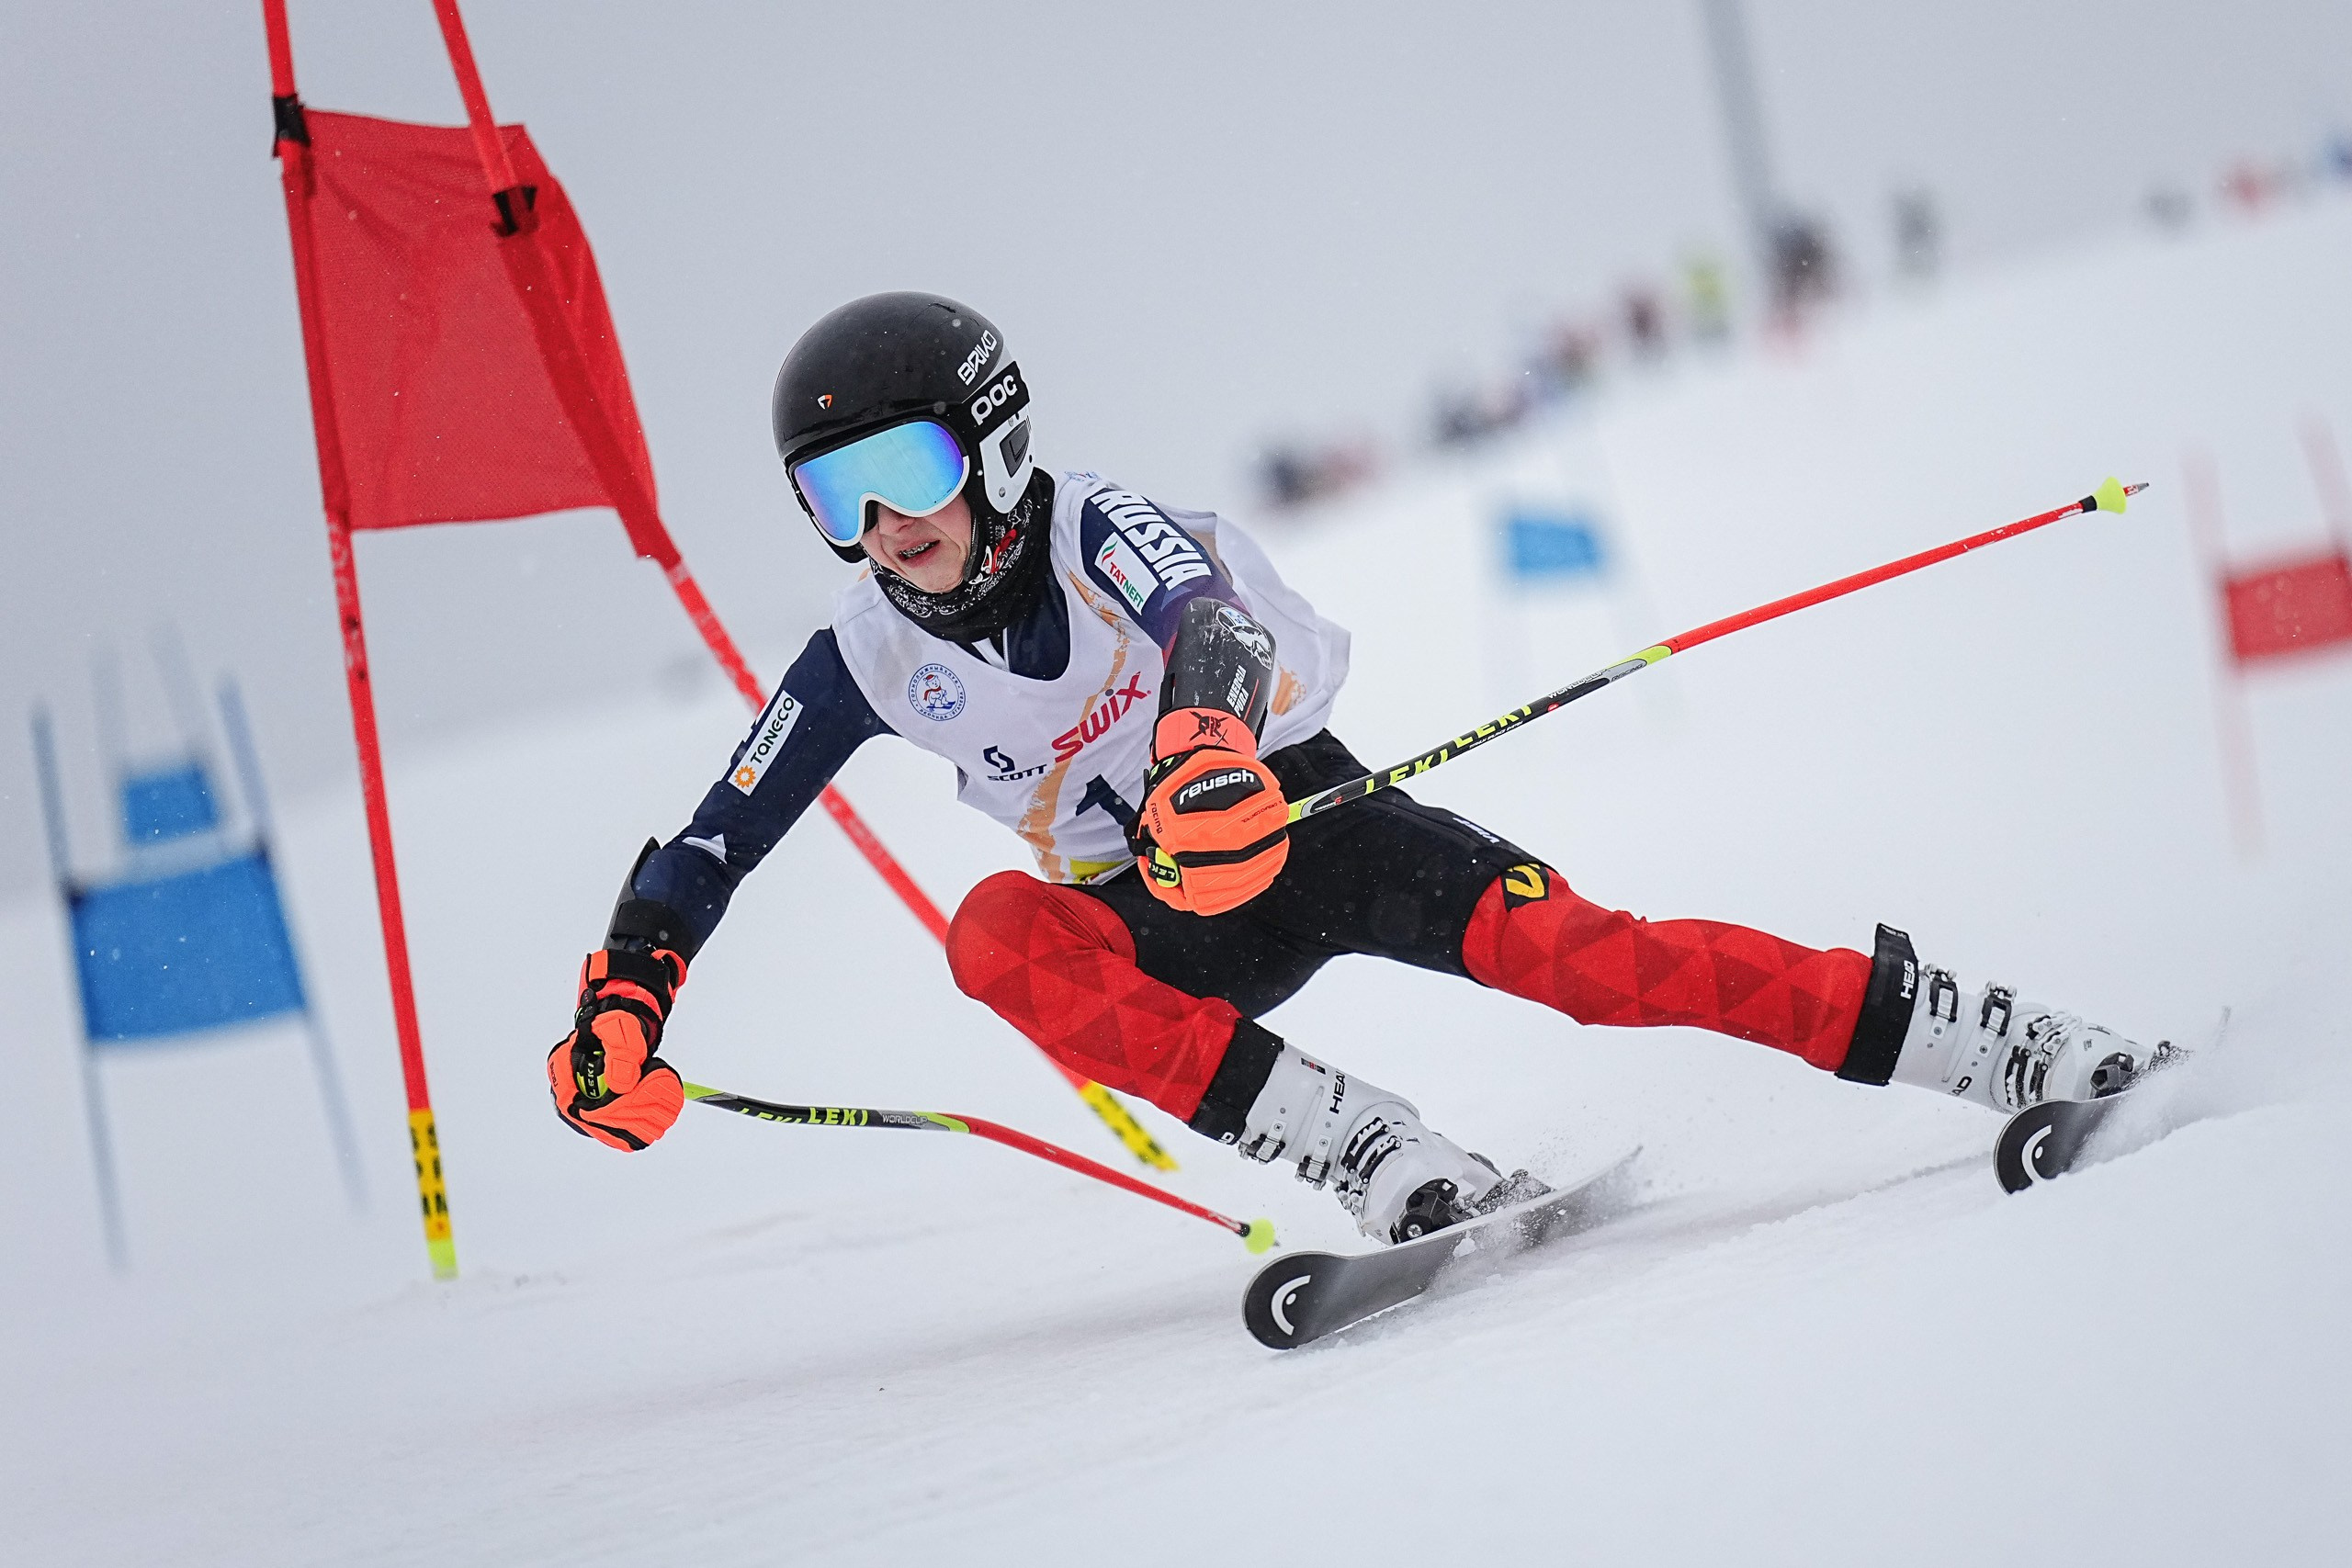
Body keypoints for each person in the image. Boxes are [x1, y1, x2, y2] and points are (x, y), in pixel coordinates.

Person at [548, 293, 2160, 1244]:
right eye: (839, 498)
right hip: (1155, 915)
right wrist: (632, 993)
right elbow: (716, 836)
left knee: (1589, 964)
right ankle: (1366, 1148)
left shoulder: (1099, 524)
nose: (888, 526)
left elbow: (1211, 627)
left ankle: (1986, 1038)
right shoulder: (868, 650)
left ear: (995, 445)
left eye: (907, 471)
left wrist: (1199, 752)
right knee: (994, 935)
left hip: (1303, 820)